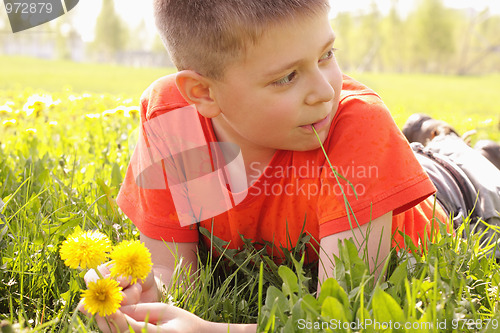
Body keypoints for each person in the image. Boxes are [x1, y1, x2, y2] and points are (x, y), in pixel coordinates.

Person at [80, 1, 449, 331]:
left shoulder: (354, 123)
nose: (324, 91)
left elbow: (340, 313)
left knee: (467, 175)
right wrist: (145, 292)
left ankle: (445, 142)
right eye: (286, 77)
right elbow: (177, 276)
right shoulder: (176, 119)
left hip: (444, 197)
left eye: (327, 54)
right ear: (204, 93)